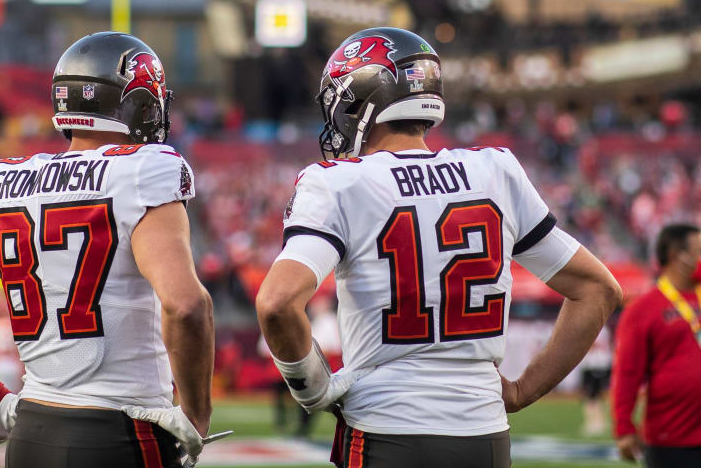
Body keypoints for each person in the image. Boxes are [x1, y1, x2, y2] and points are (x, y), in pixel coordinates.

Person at [256, 27, 622, 468]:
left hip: (386, 428)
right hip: (484, 435)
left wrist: (312, 390)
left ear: (361, 103)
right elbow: (599, 290)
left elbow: (277, 303)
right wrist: (523, 390)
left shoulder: (338, 182)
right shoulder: (494, 170)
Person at [0, 31, 215, 468]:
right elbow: (186, 306)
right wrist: (197, 415)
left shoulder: (6, 185)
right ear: (137, 104)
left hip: (31, 437)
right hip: (121, 433)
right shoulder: (145, 171)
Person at [612, 223, 701, 467]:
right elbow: (627, 373)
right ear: (676, 256)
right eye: (698, 253)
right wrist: (624, 427)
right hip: (671, 438)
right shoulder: (642, 310)